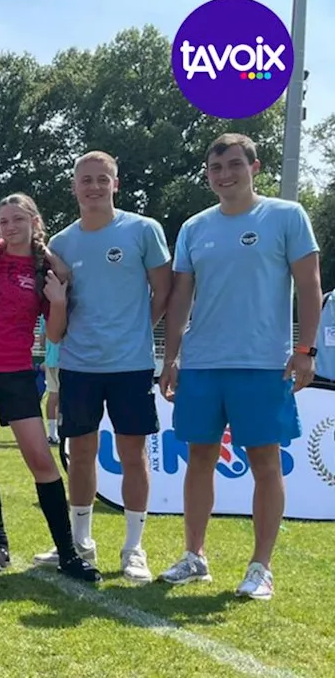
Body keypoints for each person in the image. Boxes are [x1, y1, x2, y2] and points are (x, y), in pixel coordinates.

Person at [158, 134, 320, 600]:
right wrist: (171, 358)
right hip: (203, 364)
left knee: (265, 464)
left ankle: (260, 567)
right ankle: (195, 556)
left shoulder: (287, 217)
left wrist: (305, 350)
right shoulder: (193, 227)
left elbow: (309, 285)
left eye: (233, 165)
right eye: (215, 168)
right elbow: (181, 297)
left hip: (263, 364)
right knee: (199, 461)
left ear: (255, 166)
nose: (224, 175)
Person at [32, 151, 171, 584]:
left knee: (133, 455)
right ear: (74, 186)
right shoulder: (62, 242)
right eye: (85, 180)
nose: (93, 187)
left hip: (130, 366)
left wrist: (136, 331)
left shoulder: (143, 230)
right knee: (81, 454)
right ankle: (79, 542)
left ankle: (134, 548)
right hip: (78, 365)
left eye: (101, 179)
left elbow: (163, 292)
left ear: (116, 183)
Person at [0, 193, 100, 581]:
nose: (10, 227)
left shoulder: (46, 268)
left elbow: (56, 332)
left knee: (41, 460)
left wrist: (59, 299)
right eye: (3, 221)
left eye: (18, 219)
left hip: (15, 372)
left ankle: (67, 554)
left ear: (34, 221)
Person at [40, 318, 61, 446]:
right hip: (64, 360)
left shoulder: (44, 317)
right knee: (61, 398)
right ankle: (59, 431)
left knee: (53, 396)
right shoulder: (64, 311)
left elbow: (42, 341)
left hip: (50, 360)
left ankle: (52, 433)